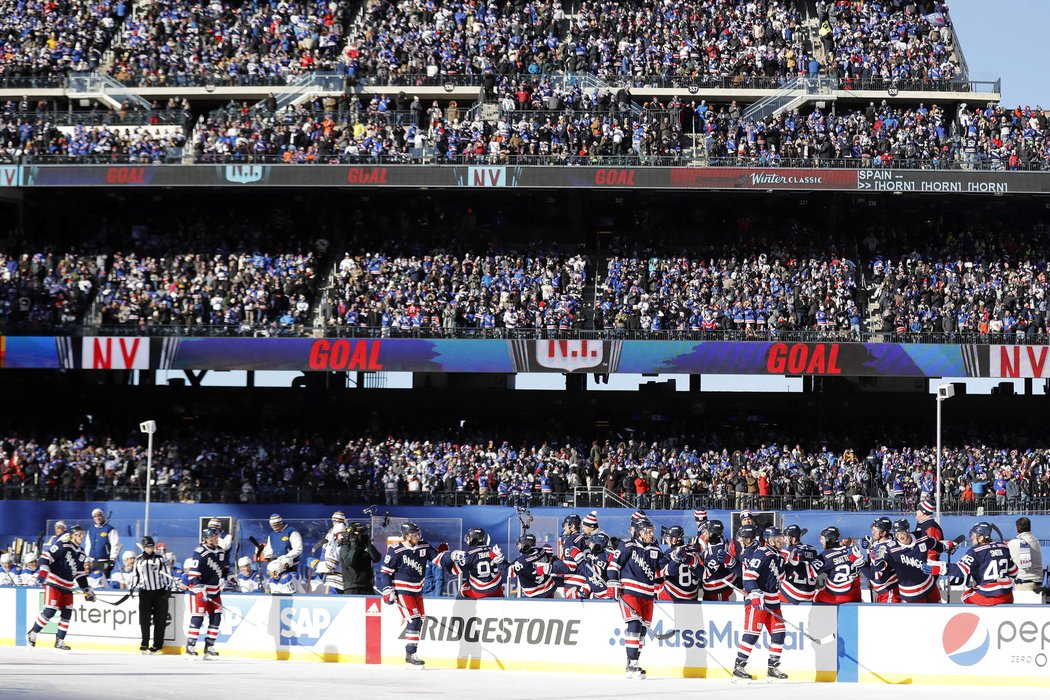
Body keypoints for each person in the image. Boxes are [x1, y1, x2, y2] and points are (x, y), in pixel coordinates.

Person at [375, 521, 449, 668]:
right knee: (414, 620)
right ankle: (410, 655)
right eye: (414, 534)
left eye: (417, 534)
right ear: (406, 536)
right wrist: (388, 589)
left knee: (419, 621)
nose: (417, 536)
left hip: (417, 591)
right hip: (403, 591)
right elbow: (385, 572)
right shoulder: (396, 550)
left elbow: (437, 559)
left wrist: (450, 556)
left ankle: (412, 653)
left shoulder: (424, 546)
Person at [608, 517, 668, 680]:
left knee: (643, 629)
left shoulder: (655, 548)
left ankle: (633, 662)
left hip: (648, 594)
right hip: (630, 592)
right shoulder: (627, 545)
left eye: (651, 531)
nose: (650, 534)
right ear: (639, 532)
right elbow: (614, 565)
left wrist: (674, 561)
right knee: (634, 624)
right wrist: (613, 583)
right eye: (647, 531)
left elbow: (662, 569)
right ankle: (632, 664)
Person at [734, 527, 788, 682]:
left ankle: (772, 668)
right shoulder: (762, 553)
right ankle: (739, 667)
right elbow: (749, 576)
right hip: (758, 600)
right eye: (777, 538)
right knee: (752, 634)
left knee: (779, 633)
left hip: (773, 600)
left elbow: (781, 577)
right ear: (769, 540)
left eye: (781, 538)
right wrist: (755, 594)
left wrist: (791, 562)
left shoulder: (778, 555)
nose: (780, 541)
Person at [28, 525, 96, 650]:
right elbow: (45, 558)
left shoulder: (81, 553)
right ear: (73, 535)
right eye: (79, 534)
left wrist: (86, 589)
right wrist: (43, 570)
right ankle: (33, 632)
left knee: (67, 613)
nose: (82, 537)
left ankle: (60, 641)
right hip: (54, 583)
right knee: (50, 610)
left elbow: (80, 574)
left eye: (82, 535)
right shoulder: (63, 545)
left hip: (68, 587)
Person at [928, 522, 1017, 605]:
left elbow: (960, 570)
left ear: (981, 537)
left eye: (974, 535)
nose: (972, 538)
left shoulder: (975, 551)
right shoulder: (1003, 547)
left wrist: (938, 568)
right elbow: (1014, 572)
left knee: (965, 597)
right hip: (1007, 595)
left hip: (987, 595)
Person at [871, 519, 942, 604]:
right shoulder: (890, 548)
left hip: (930, 586)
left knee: (938, 610)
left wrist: (947, 546)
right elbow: (879, 568)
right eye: (896, 534)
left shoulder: (921, 536)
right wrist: (877, 559)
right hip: (912, 593)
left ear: (907, 531)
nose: (900, 536)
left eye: (902, 533)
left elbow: (933, 543)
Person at [185, 527, 230, 658]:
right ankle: (190, 647)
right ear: (206, 538)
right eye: (213, 537)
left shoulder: (221, 552)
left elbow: (225, 569)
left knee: (216, 618)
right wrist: (199, 589)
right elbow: (193, 574)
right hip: (201, 591)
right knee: (198, 619)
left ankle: (209, 647)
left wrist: (228, 577)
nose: (216, 539)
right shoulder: (200, 552)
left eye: (217, 536)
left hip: (215, 591)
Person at [131, 536, 171, 654]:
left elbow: (167, 573)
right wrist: (133, 587)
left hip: (160, 592)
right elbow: (135, 575)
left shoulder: (160, 558)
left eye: (151, 546)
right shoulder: (138, 560)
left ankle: (157, 644)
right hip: (144, 592)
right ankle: (144, 643)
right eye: (147, 547)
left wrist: (168, 588)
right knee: (144, 620)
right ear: (143, 547)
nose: (150, 548)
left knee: (160, 620)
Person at [445, 527, 507, 598]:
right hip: (497, 590)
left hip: (479, 591)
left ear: (471, 539)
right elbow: (505, 568)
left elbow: (454, 571)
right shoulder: (494, 550)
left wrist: (448, 556)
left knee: (462, 590)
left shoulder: (470, 554)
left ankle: (463, 609)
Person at [812, 526, 862, 604]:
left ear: (828, 540)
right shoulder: (852, 550)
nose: (820, 541)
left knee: (815, 595)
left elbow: (810, 572)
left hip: (835, 597)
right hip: (855, 595)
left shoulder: (826, 555)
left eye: (822, 539)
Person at [510, 533, 567, 598]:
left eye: (521, 544)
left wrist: (501, 561)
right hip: (549, 589)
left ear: (526, 544)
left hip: (535, 595)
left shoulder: (521, 561)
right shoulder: (542, 551)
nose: (519, 546)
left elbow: (508, 571)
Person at [858, 517, 899, 603]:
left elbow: (873, 574)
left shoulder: (886, 550)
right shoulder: (884, 541)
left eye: (875, 531)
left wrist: (860, 561)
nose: (872, 533)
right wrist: (869, 547)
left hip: (889, 591)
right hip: (882, 591)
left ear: (883, 533)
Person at [564, 531, 614, 599]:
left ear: (598, 545)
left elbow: (592, 573)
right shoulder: (592, 556)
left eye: (592, 543)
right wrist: (584, 590)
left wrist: (579, 558)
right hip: (597, 596)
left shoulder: (603, 557)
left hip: (607, 597)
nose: (589, 544)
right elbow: (590, 579)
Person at [658, 526, 701, 601]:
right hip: (693, 595)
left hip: (673, 594)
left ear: (674, 539)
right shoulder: (694, 550)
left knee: (656, 589)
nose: (667, 540)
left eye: (668, 538)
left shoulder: (669, 553)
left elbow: (664, 572)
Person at [698, 520, 737, 601]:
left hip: (718, 587)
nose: (703, 534)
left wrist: (692, 564)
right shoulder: (721, 538)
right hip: (719, 583)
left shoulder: (716, 553)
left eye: (706, 531)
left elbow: (704, 574)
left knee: (718, 612)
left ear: (713, 534)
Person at [779, 525, 818, 604]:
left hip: (793, 594)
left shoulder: (788, 552)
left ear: (793, 539)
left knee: (769, 595)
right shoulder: (812, 549)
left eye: (786, 537)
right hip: (810, 594)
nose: (784, 540)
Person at [339, 522, 381, 595]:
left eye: (360, 534)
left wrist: (368, 544)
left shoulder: (365, 545)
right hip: (352, 587)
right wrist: (354, 544)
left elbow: (376, 558)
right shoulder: (345, 547)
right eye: (356, 534)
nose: (359, 536)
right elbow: (350, 562)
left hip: (367, 586)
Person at [263, 513, 303, 583]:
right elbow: (269, 549)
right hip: (277, 568)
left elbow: (298, 548)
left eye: (276, 525)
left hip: (290, 566)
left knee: (291, 583)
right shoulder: (272, 535)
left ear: (281, 523)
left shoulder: (291, 532)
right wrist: (266, 555)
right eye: (272, 526)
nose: (274, 527)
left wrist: (286, 557)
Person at [1008, 517, 1043, 592]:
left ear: (1016, 528)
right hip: (1037, 582)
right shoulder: (1036, 540)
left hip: (1023, 584)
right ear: (1030, 527)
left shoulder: (1013, 543)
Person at [85, 508, 120, 576]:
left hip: (104, 561)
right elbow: (88, 545)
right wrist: (87, 559)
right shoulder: (90, 530)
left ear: (103, 516)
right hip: (92, 561)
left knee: (103, 583)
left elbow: (115, 544)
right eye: (95, 516)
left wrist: (112, 558)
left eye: (99, 515)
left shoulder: (110, 529)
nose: (97, 518)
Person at [323, 523, 346, 594]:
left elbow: (331, 565)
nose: (343, 536)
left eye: (343, 534)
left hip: (333, 582)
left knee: (330, 604)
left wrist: (317, 565)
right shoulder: (348, 544)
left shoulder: (334, 544)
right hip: (344, 582)